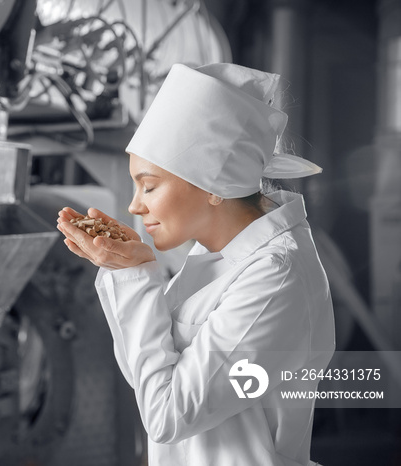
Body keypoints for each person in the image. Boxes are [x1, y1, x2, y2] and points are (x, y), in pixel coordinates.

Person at [56, 63, 336, 466]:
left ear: (214, 187)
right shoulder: (218, 251)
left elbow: (168, 416)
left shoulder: (275, 274)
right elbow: (148, 376)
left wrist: (135, 278)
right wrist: (126, 270)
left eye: (149, 186)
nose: (135, 206)